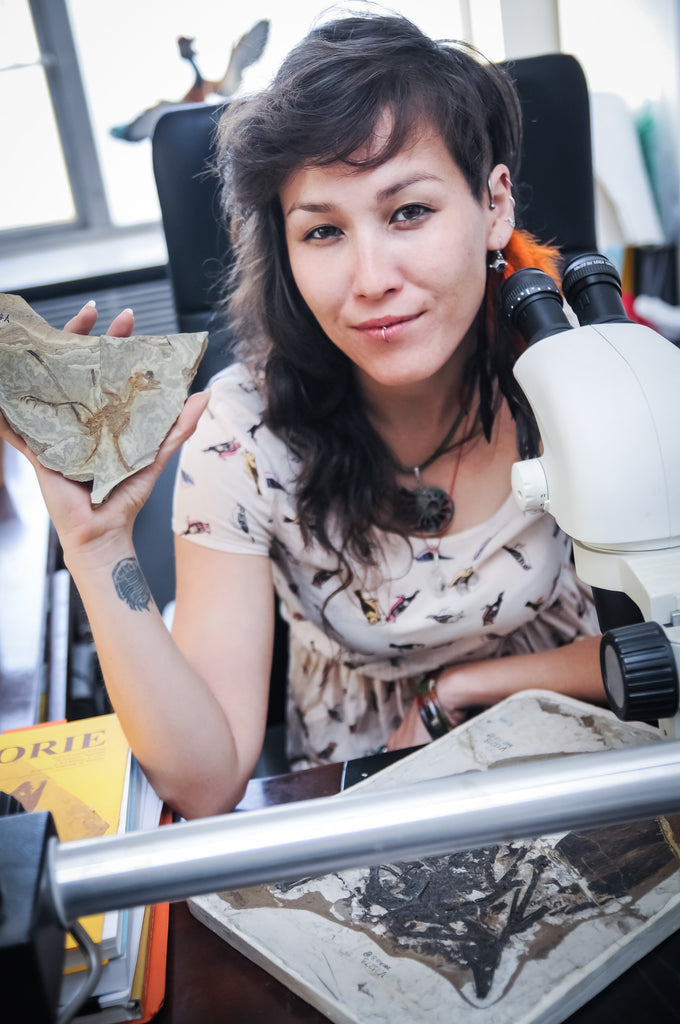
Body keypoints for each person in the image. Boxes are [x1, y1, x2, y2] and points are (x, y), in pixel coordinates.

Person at [0, 12, 604, 819]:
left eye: (409, 212)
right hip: (365, 803)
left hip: (592, 761)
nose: (370, 278)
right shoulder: (245, 435)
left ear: (493, 204)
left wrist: (468, 686)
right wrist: (96, 543)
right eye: (323, 230)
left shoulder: (590, 374)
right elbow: (206, 782)